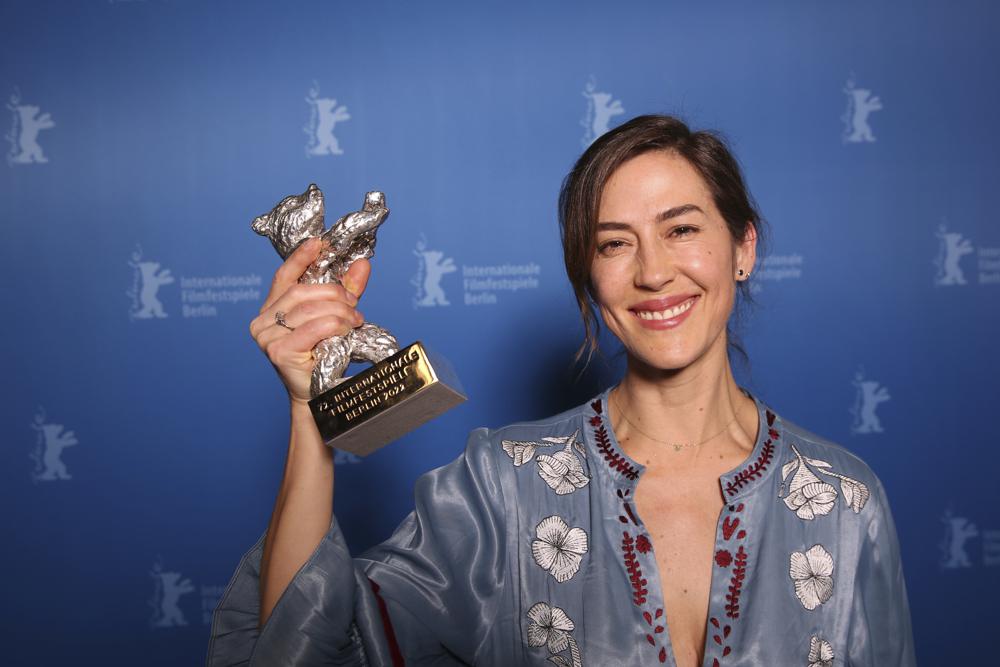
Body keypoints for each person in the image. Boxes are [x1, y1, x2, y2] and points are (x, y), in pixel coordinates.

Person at [208, 115, 915, 666]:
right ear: (590, 277)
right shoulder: (503, 489)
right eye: (614, 243)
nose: (654, 271)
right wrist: (310, 406)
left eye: (682, 229)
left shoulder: (846, 501)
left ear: (744, 247)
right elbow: (307, 643)